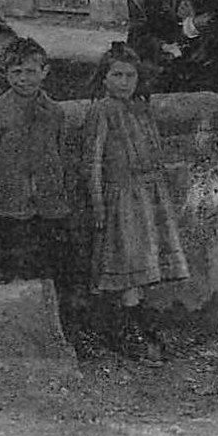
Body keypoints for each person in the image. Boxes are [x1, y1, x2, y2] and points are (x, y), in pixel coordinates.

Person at [84, 42, 190, 361]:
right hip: (121, 197)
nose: (124, 82)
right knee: (128, 262)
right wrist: (99, 203)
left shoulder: (141, 109)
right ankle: (127, 327)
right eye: (117, 75)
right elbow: (93, 161)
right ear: (104, 78)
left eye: (130, 75)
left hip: (147, 195)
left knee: (145, 261)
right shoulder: (101, 111)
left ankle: (141, 322)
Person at [0, 37, 75, 305]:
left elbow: (62, 156)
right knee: (17, 268)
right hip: (12, 207)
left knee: (51, 267)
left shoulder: (54, 112)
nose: (24, 79)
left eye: (30, 71)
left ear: (45, 72)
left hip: (50, 205)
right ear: (6, 74)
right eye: (16, 72)